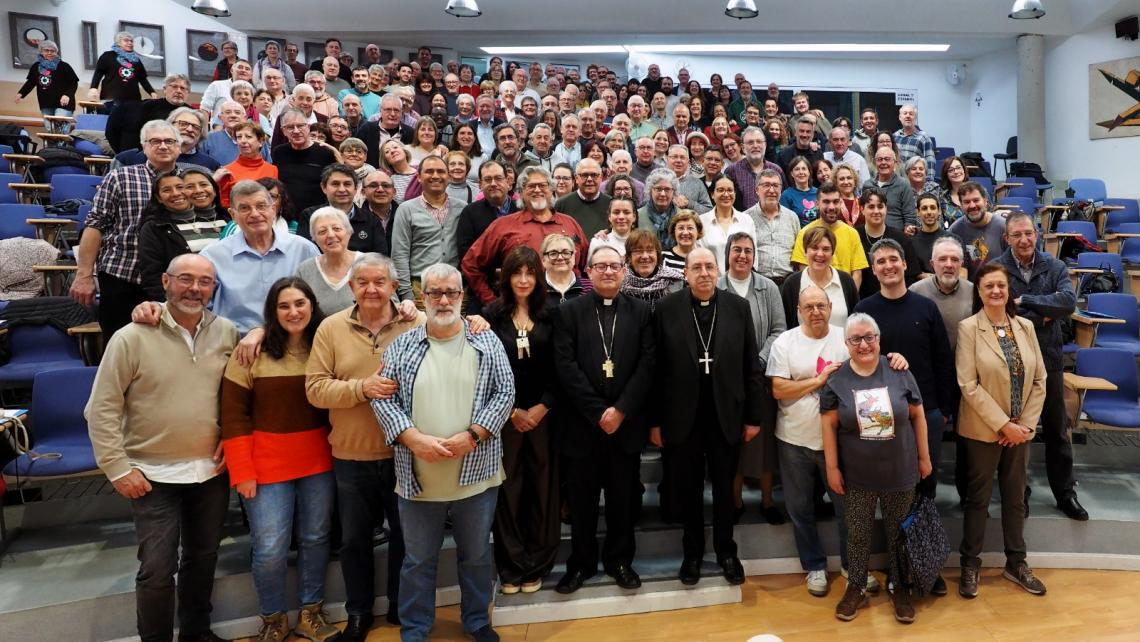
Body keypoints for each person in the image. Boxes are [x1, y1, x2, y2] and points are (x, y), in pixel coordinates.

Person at [86, 254, 238, 642]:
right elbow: (101, 407)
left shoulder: (228, 333)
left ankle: (196, 633)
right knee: (157, 566)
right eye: (185, 279)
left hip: (211, 470)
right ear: (165, 282)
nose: (195, 288)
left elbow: (238, 397)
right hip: (151, 474)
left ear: (214, 289)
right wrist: (117, 467)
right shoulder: (131, 336)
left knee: (203, 558)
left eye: (205, 282)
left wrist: (231, 437)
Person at [371, 263, 513, 642]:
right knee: (417, 561)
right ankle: (415, 628)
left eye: (451, 292)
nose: (444, 299)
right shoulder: (401, 345)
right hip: (418, 473)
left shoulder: (486, 340)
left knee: (477, 555)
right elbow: (383, 400)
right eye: (435, 292)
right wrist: (412, 438)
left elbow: (505, 393)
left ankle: (477, 622)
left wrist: (474, 434)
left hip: (477, 470)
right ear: (423, 297)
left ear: (463, 296)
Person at [306, 254, 422, 640]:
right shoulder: (330, 328)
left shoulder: (415, 323)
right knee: (355, 541)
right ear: (352, 287)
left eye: (380, 282)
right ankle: (358, 613)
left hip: (405, 454)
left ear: (393, 286)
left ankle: (399, 606)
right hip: (351, 455)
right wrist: (361, 388)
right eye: (363, 283)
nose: (371, 289)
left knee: (407, 537)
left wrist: (476, 318)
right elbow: (315, 389)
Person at [219, 278, 338, 642]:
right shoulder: (249, 354)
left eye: (300, 303)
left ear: (312, 306)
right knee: (270, 548)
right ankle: (273, 620)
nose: (293, 312)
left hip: (320, 462)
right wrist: (242, 471)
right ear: (272, 312)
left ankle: (310, 613)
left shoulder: (326, 348)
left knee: (316, 538)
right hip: (266, 467)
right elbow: (234, 416)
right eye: (284, 306)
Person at [651, 246, 769, 585]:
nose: (703, 273)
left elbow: (751, 365)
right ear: (685, 274)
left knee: (723, 489)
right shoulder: (666, 309)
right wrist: (655, 421)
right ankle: (692, 554)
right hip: (681, 418)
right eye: (696, 267)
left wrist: (753, 417)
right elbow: (656, 370)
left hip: (725, 415)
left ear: (718, 271)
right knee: (688, 490)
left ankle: (726, 551)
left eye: (709, 267)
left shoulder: (737, 307)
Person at [553, 244, 655, 594]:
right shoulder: (570, 312)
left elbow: (647, 365)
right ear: (589, 272)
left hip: (624, 426)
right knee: (581, 502)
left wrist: (621, 410)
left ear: (624, 270)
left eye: (614, 266)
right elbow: (565, 367)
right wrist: (599, 412)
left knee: (622, 500)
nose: (608, 271)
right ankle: (581, 564)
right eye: (601, 266)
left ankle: (619, 561)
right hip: (583, 426)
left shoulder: (642, 312)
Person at [822, 313, 931, 623]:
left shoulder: (898, 370)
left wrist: (924, 458)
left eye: (869, 337)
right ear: (846, 344)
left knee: (899, 534)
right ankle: (855, 586)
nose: (863, 344)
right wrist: (832, 468)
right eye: (855, 339)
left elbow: (918, 416)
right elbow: (828, 426)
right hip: (858, 477)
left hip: (900, 471)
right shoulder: (837, 380)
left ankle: (900, 588)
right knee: (857, 535)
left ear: (879, 339)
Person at [956, 262, 1048, 598]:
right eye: (988, 286)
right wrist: (1003, 424)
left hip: (1020, 431)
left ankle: (1016, 563)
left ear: (1009, 290)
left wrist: (1024, 425)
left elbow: (1040, 379)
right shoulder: (969, 329)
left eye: (1001, 286)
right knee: (978, 499)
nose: (995, 291)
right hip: (984, 430)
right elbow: (968, 384)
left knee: (1015, 498)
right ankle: (970, 563)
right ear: (979, 292)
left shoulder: (1024, 326)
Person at [767, 285, 860, 598]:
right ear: (798, 310)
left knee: (847, 509)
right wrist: (818, 382)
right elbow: (779, 389)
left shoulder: (846, 338)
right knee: (800, 509)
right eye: (809, 307)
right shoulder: (785, 342)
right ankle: (815, 566)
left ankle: (852, 566)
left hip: (840, 442)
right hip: (794, 440)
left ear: (830, 306)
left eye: (820, 305)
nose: (816, 312)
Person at [993, 212, 1083, 520]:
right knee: (1017, 431)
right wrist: (1044, 313)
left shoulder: (1055, 266)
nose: (1023, 239)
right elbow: (1000, 312)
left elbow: (1067, 303)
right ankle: (1019, 494)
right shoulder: (998, 268)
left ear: (1037, 234)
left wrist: (1025, 301)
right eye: (1016, 235)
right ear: (1007, 238)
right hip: (1011, 362)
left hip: (1049, 360)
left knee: (1057, 429)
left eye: (1028, 233)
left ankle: (1065, 493)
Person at [484, 247, 561, 595]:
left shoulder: (553, 314)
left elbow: (563, 367)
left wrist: (543, 406)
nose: (524, 280)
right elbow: (484, 371)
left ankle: (538, 564)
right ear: (506, 277)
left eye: (530, 273)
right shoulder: (491, 316)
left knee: (543, 489)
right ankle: (512, 565)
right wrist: (513, 411)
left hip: (545, 415)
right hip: (506, 418)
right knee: (509, 490)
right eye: (517, 273)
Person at [70, 120, 182, 336]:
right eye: (155, 141)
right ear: (144, 146)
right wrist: (84, 275)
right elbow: (95, 225)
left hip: (171, 281)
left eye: (170, 141)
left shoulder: (188, 180)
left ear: (179, 146)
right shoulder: (120, 177)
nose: (163, 146)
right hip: (122, 276)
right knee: (120, 349)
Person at [717, 233, 786, 524]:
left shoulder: (767, 287)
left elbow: (779, 329)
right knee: (732, 442)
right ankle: (734, 501)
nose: (742, 255)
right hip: (724, 380)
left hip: (760, 377)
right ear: (728, 254)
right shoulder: (717, 286)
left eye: (748, 251)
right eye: (737, 250)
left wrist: (757, 360)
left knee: (764, 443)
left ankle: (768, 501)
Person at [200, 180, 321, 333]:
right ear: (233, 215)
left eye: (261, 206)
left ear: (273, 209)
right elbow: (199, 306)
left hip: (294, 341)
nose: (255, 214)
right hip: (236, 346)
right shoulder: (212, 257)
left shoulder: (304, 249)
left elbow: (319, 300)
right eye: (244, 208)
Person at [462, 166, 589, 306]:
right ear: (521, 193)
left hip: (570, 307)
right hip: (523, 312)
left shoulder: (570, 223)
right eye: (531, 186)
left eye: (542, 185)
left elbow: (586, 266)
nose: (537, 190)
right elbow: (470, 264)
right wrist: (492, 302)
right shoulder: (503, 226)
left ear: (551, 189)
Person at [390, 156, 466, 306]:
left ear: (449, 177)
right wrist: (406, 293)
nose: (436, 176)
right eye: (429, 171)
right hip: (420, 287)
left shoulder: (463, 208)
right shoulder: (406, 209)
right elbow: (400, 254)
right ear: (419, 177)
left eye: (441, 172)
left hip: (455, 287)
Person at [136, 171, 220, 300]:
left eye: (181, 187)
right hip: (183, 301)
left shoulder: (221, 218)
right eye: (167, 190)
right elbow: (152, 276)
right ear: (158, 198)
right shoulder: (154, 227)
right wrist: (172, 306)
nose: (176, 193)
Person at [789, 182, 869, 289]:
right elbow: (804, 271)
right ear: (817, 204)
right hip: (815, 297)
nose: (831, 207)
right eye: (826, 202)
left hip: (844, 297)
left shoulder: (852, 233)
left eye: (835, 202)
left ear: (841, 203)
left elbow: (857, 273)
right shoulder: (805, 233)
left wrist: (849, 299)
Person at [781, 226, 859, 330]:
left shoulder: (846, 281)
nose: (820, 254)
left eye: (826, 249)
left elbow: (856, 322)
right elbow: (787, 326)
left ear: (832, 253)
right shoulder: (792, 284)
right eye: (814, 248)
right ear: (805, 251)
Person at [855, 187, 922, 297]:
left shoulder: (901, 238)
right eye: (871, 207)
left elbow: (911, 276)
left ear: (886, 208)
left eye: (880, 206)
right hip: (863, 302)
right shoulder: (854, 236)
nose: (876, 211)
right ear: (862, 209)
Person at [272, 109, 339, 213]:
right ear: (283, 131)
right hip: (288, 216)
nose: (296, 131)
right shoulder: (279, 152)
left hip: (317, 215)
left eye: (300, 126)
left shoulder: (325, 153)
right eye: (290, 127)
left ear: (308, 127)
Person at [296, 207, 361, 313]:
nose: (331, 235)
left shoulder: (370, 263)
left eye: (336, 228)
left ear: (349, 232)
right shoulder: (304, 270)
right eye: (322, 231)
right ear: (314, 239)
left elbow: (391, 305)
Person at [745, 169, 800, 285]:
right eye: (766, 185)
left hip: (787, 283)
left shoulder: (792, 217)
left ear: (781, 190)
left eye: (775, 185)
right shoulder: (745, 218)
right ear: (756, 190)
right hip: (757, 282)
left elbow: (798, 252)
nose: (771, 190)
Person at [948, 181, 1007, 281]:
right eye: (966, 202)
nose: (972, 205)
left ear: (985, 201)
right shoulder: (955, 231)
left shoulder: (1003, 227)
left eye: (976, 200)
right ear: (961, 206)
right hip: (970, 289)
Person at [14, 40, 79, 127]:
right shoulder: (36, 66)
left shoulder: (64, 66)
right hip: (46, 103)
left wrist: (67, 95)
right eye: (46, 50)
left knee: (59, 127)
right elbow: (31, 82)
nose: (49, 53)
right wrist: (21, 93)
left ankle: (63, 140)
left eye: (52, 51)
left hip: (64, 104)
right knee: (50, 130)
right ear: (41, 51)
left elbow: (74, 82)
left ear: (56, 52)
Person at [700, 175, 757, 273]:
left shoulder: (747, 220)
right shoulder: (701, 222)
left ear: (735, 193)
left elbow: (753, 255)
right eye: (721, 190)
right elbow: (699, 256)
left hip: (741, 281)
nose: (726, 194)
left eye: (730, 190)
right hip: (711, 282)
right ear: (712, 194)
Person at [214, 120, 277, 208]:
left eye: (248, 137)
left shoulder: (273, 169)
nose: (242, 141)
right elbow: (225, 204)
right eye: (239, 137)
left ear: (261, 142)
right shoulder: (226, 171)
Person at [620, 228, 685, 309]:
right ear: (629, 257)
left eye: (650, 250)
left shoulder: (674, 281)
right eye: (638, 250)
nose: (645, 256)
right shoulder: (619, 283)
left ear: (657, 255)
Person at [723, 127, 785, 211]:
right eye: (750, 142)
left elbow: (784, 200)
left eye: (759, 141)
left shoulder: (776, 170)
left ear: (765, 145)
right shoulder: (732, 171)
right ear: (743, 147)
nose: (755, 146)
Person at [89, 31, 156, 106]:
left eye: (131, 41)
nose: (130, 43)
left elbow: (142, 79)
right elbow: (98, 73)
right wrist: (93, 87)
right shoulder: (108, 56)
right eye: (126, 40)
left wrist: (151, 92)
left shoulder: (136, 60)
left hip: (133, 100)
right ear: (118, 43)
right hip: (111, 99)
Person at [864, 148, 917, 234]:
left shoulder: (903, 185)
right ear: (875, 162)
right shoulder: (867, 185)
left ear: (895, 163)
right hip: (871, 235)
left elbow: (910, 217)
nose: (883, 162)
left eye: (887, 159)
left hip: (896, 237)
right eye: (880, 159)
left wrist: (907, 232)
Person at [555, 158, 612, 237]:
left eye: (594, 175)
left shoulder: (611, 204)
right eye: (584, 175)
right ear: (576, 179)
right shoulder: (562, 204)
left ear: (601, 177)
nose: (589, 179)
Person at [910, 193, 952, 276]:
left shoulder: (952, 240)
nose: (929, 212)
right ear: (918, 212)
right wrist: (921, 276)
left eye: (932, 208)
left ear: (939, 211)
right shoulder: (911, 243)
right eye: (924, 208)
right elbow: (911, 273)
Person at [542, 233, 591, 303]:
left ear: (574, 257)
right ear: (543, 260)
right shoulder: (535, 289)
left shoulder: (590, 288)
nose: (560, 257)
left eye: (565, 253)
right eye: (553, 253)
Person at [893, 105, 936, 181]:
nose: (908, 116)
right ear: (900, 117)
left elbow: (930, 162)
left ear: (915, 118)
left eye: (911, 114)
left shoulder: (923, 137)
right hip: (897, 182)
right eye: (905, 113)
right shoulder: (895, 136)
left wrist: (929, 183)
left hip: (914, 182)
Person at [780, 156, 819, 224]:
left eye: (804, 169)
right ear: (792, 173)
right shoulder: (786, 195)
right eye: (797, 169)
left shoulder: (818, 193)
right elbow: (785, 222)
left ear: (809, 172)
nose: (801, 172)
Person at [937, 155, 970, 222]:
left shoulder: (978, 191)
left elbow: (990, 214)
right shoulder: (942, 196)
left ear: (964, 170)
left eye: (958, 168)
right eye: (951, 170)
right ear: (946, 175)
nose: (956, 172)